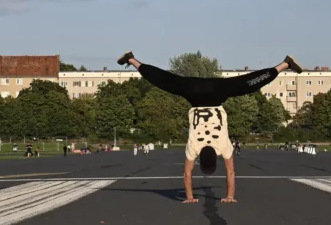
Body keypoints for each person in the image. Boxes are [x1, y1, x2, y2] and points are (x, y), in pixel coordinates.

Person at [118, 51, 303, 203]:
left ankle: (285, 64)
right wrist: (189, 196)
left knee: (247, 84)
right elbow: (187, 174)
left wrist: (230, 196)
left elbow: (230, 171)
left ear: (216, 157)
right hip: (196, 92)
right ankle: (132, 60)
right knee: (166, 81)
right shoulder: (194, 148)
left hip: (216, 90)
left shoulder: (223, 146)